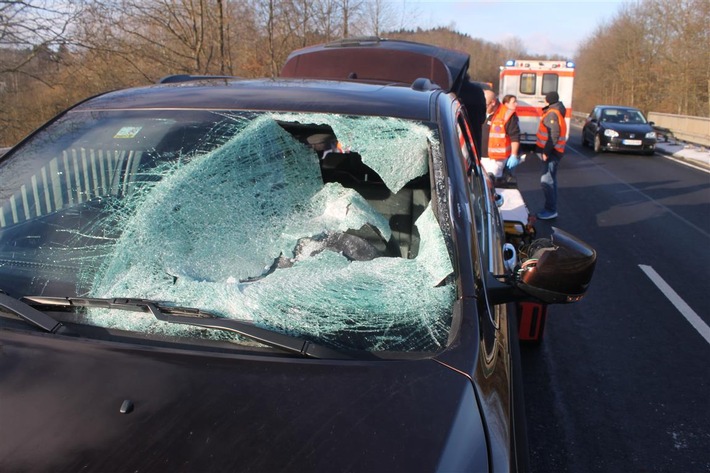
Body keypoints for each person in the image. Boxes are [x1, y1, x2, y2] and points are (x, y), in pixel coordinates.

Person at [535, 91, 567, 220]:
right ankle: (551, 207)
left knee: (546, 181)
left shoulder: (552, 113)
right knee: (551, 180)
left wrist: (546, 152)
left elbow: (553, 135)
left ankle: (550, 209)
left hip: (552, 153)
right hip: (555, 152)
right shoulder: (557, 111)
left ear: (548, 100)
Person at [480, 90, 521, 178]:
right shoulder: (483, 112)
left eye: (486, 105)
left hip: (496, 159)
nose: (484, 107)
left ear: (493, 102)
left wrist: (514, 155)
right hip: (481, 156)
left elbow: (515, 137)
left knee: (491, 180)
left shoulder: (507, 114)